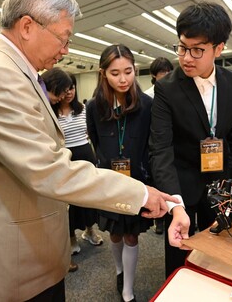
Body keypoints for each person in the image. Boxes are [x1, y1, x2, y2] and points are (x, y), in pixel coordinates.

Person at [0, 0, 177, 302]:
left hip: (26, 241)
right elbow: (49, 170)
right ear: (28, 26)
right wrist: (139, 194)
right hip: (15, 254)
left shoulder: (9, 70)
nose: (65, 49)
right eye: (63, 37)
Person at [149, 2, 232, 277]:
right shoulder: (166, 88)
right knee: (179, 251)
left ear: (219, 49)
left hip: (220, 183)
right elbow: (160, 149)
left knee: (218, 252)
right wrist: (174, 204)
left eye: (197, 50)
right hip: (180, 185)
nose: (186, 57)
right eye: (182, 47)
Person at [87, 44, 153, 302]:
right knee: (114, 233)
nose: (123, 79)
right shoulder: (95, 106)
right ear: (103, 73)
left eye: (128, 71)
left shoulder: (147, 105)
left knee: (131, 235)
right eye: (115, 73)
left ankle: (128, 290)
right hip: (108, 182)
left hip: (136, 180)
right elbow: (95, 141)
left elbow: (151, 144)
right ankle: (118, 270)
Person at [42, 69, 103, 273]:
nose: (69, 92)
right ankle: (70, 238)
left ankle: (89, 231)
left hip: (86, 155)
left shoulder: (84, 109)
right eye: (65, 89)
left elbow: (92, 132)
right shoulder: (49, 111)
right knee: (67, 202)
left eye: (72, 87)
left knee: (88, 198)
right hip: (65, 158)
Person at [144, 57, 173, 234]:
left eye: (169, 72)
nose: (166, 75)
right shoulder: (148, 95)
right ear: (154, 75)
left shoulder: (175, 91)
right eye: (162, 72)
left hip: (171, 142)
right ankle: (159, 220)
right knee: (157, 180)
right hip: (152, 143)